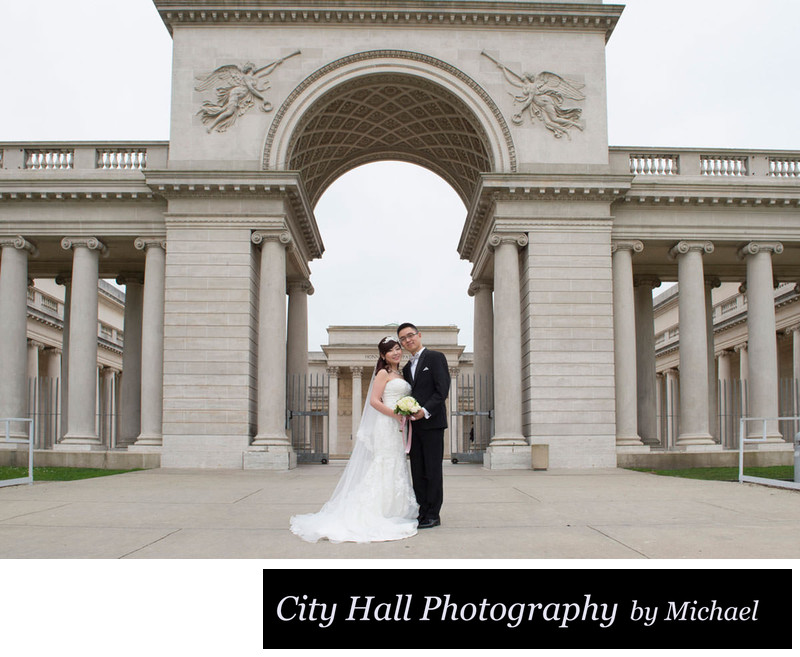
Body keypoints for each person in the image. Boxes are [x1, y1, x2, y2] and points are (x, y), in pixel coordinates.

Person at [289, 337, 419, 543]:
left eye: (397, 349)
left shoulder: (400, 374)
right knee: (385, 462)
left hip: (398, 426)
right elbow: (375, 402)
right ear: (383, 355)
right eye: (390, 350)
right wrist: (396, 414)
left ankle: (393, 508)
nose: (396, 353)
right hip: (387, 424)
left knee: (396, 463)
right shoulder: (383, 373)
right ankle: (378, 509)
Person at [397, 322, 450, 529]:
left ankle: (433, 514)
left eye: (410, 335)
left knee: (433, 469)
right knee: (417, 470)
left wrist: (424, 411)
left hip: (432, 424)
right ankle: (422, 510)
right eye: (403, 339)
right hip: (414, 427)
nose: (407, 340)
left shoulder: (436, 358)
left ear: (419, 335)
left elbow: (442, 390)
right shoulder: (407, 367)